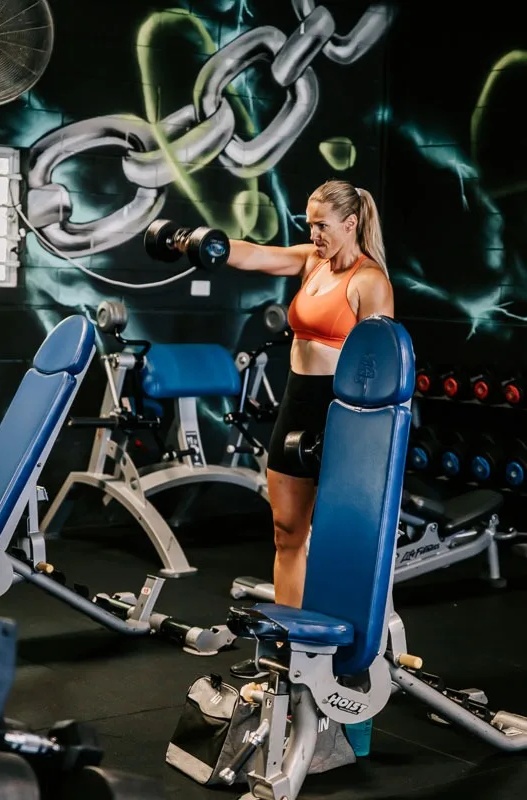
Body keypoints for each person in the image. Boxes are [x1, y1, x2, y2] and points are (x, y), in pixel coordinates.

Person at [198, 180, 393, 678]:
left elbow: (381, 365)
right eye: (310, 224)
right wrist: (202, 242)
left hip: (341, 413)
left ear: (351, 223)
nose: (314, 234)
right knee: (287, 531)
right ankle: (288, 646)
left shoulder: (369, 282)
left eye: (322, 225)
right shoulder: (312, 262)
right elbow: (256, 255)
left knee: (338, 538)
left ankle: (351, 652)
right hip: (296, 403)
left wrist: (366, 436)